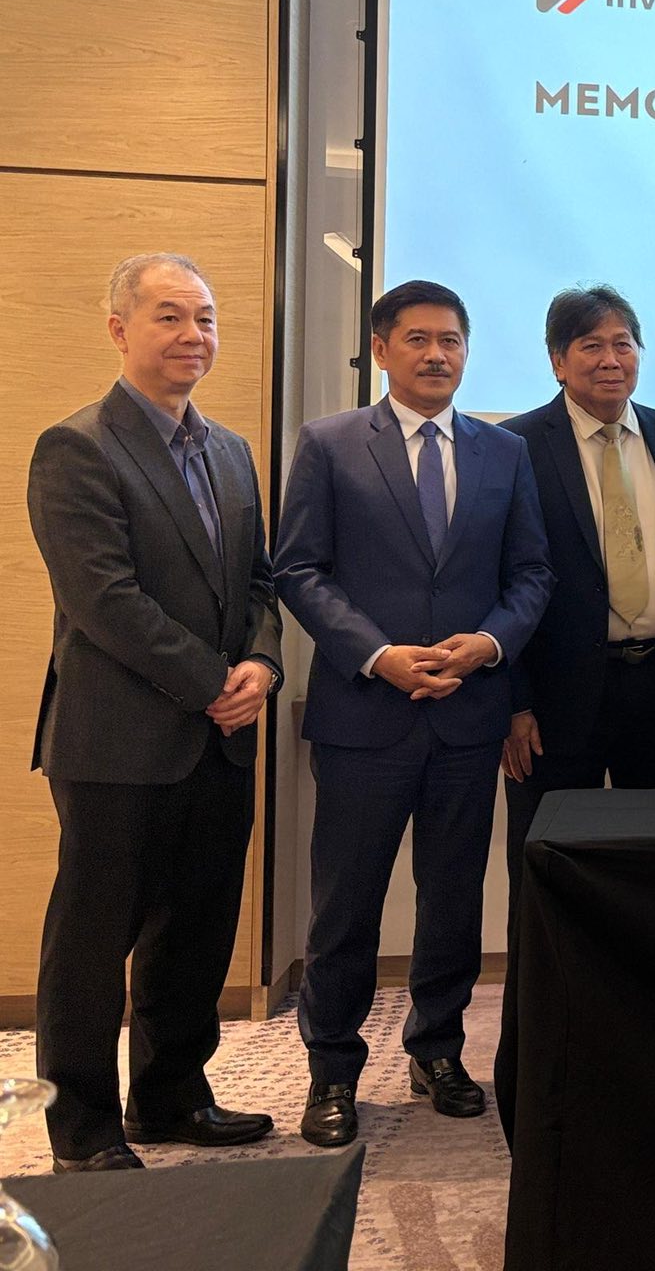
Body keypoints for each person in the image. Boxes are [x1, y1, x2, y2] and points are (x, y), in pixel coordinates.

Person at [276, 279, 553, 1147]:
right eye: (419, 339)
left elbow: (531, 574)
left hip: (468, 716)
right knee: (346, 906)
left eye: (452, 341)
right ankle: (331, 1069)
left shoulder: (504, 452)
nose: (437, 355)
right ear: (381, 348)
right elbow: (298, 569)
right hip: (365, 714)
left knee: (454, 901)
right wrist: (379, 655)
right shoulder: (329, 444)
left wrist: (488, 645)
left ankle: (438, 1051)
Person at [26, 253, 282, 1172]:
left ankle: (171, 1098)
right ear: (119, 329)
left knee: (196, 932)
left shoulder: (231, 451)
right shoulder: (77, 447)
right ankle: (82, 1131)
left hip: (221, 739)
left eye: (205, 318)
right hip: (117, 743)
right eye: (170, 316)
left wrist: (261, 663)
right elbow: (105, 601)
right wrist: (215, 681)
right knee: (91, 945)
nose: (192, 335)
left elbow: (259, 583)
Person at [495, 285, 655, 1138]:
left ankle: (654, 1052)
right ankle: (539, 1063)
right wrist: (512, 702)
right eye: (590, 346)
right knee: (546, 882)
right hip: (554, 705)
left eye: (624, 343)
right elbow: (499, 580)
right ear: (558, 360)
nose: (610, 359)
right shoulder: (514, 446)